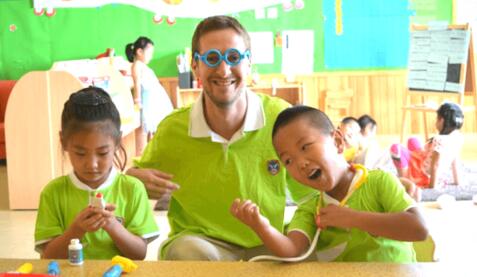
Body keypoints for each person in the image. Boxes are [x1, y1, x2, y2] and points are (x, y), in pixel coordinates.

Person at [126, 15, 311, 261]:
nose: (224, 70)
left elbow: (311, 195)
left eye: (234, 57)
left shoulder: (280, 118)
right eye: (212, 58)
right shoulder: (173, 129)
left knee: (316, 255)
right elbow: (132, 183)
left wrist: (292, 238)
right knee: (187, 252)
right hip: (202, 244)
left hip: (268, 242)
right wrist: (133, 178)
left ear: (249, 63)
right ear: (195, 66)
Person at [231, 106, 428, 262]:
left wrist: (351, 218)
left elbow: (418, 228)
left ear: (337, 142)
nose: (301, 163)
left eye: (305, 147)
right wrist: (262, 227)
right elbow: (291, 250)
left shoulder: (379, 182)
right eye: (288, 161)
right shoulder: (310, 208)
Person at [34, 87, 159, 260]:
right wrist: (77, 229)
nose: (92, 164)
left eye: (102, 153)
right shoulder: (53, 192)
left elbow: (139, 254)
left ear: (117, 142)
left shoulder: (132, 189)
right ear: (64, 142)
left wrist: (112, 225)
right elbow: (49, 257)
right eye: (80, 153)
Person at [390, 102, 464, 189]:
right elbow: (454, 160)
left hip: (422, 175)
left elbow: (435, 165)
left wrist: (432, 186)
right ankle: (409, 173)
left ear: (441, 120)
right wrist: (457, 181)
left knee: (395, 148)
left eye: (437, 119)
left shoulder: (440, 141)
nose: (435, 122)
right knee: (413, 140)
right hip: (428, 168)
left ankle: (405, 179)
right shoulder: (457, 138)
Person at [125, 36, 174, 155]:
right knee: (145, 130)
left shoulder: (142, 66)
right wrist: (137, 102)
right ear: (139, 51)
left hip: (154, 100)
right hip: (147, 102)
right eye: (149, 53)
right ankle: (143, 155)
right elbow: (137, 84)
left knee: (153, 130)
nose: (151, 56)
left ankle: (152, 154)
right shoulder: (136, 65)